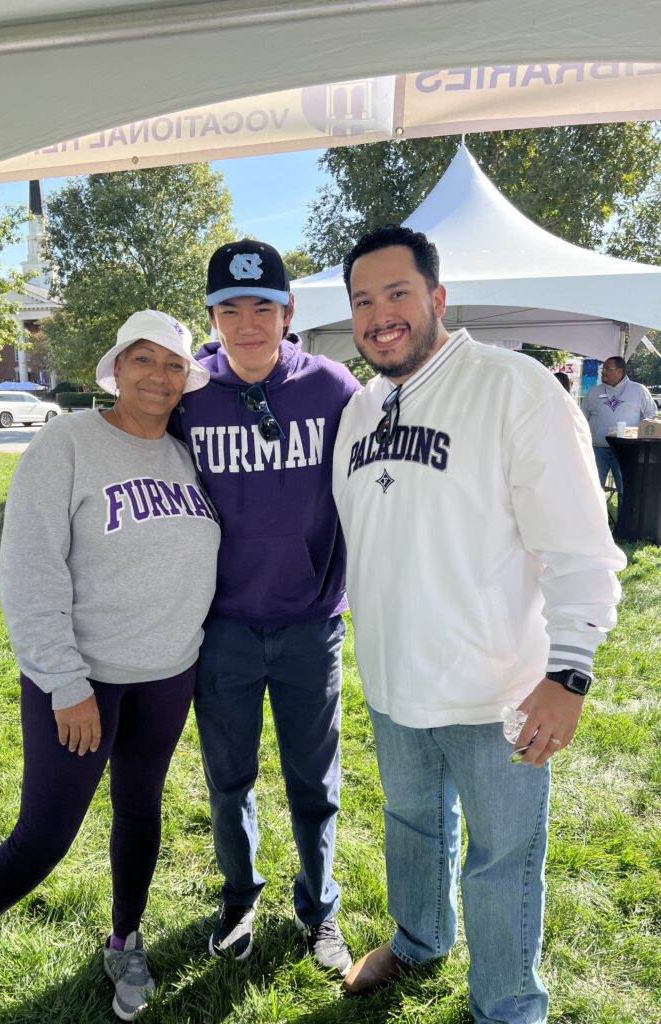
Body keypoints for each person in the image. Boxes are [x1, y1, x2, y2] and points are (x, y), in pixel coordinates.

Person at [331, 226, 625, 1024]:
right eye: (363, 300)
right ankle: (420, 939)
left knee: (503, 862)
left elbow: (578, 546)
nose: (380, 315)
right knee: (409, 826)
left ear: (436, 297)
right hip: (394, 685)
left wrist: (569, 672)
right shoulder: (358, 411)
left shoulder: (516, 387)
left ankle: (506, 1006)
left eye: (397, 293)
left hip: (499, 691)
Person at [0, 310, 221, 1023]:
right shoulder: (68, 443)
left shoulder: (184, 452)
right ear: (116, 368)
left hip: (169, 672)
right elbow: (28, 573)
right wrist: (65, 682)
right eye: (143, 360)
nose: (159, 376)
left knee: (142, 808)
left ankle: (125, 938)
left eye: (174, 364)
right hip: (83, 682)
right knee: (45, 837)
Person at [172, 239, 360, 974]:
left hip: (312, 623)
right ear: (212, 318)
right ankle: (240, 895)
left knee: (316, 782)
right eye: (229, 309)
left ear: (289, 312)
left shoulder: (333, 388)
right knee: (229, 780)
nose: (247, 323)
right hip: (222, 628)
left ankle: (320, 910)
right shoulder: (190, 396)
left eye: (263, 307)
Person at [582, 355, 656, 513]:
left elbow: (651, 416)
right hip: (597, 449)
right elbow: (581, 418)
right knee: (592, 489)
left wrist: (638, 435)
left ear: (621, 371)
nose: (604, 373)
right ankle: (595, 524)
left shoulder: (638, 390)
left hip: (626, 449)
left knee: (625, 489)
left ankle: (624, 527)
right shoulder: (593, 393)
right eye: (604, 369)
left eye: (609, 369)